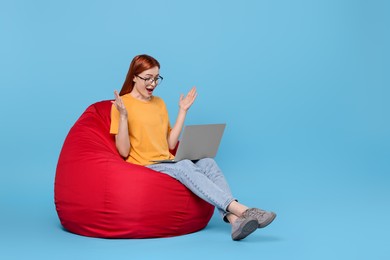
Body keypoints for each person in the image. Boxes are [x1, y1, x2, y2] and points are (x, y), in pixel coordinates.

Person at [110, 54, 276, 241]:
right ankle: (243, 210)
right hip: (145, 164)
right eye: (147, 78)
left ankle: (234, 221)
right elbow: (123, 151)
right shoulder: (122, 104)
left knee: (207, 162)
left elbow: (171, 144)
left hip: (166, 160)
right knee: (185, 166)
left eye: (156, 78)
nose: (153, 84)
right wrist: (123, 115)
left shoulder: (159, 103)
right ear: (134, 76)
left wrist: (183, 111)